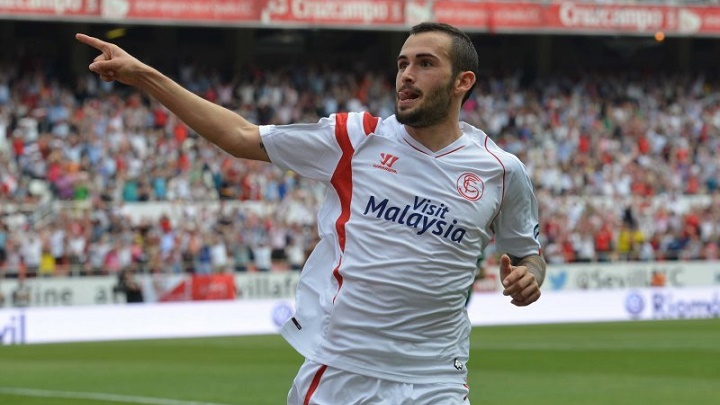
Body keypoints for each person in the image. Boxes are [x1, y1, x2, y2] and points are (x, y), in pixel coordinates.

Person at [76, 22, 546, 404]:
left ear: (463, 82)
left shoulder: (501, 172)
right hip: (344, 371)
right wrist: (144, 76)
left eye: (425, 64)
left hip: (436, 378)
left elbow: (528, 253)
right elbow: (239, 137)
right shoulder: (355, 137)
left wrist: (528, 277)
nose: (406, 74)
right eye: (402, 63)